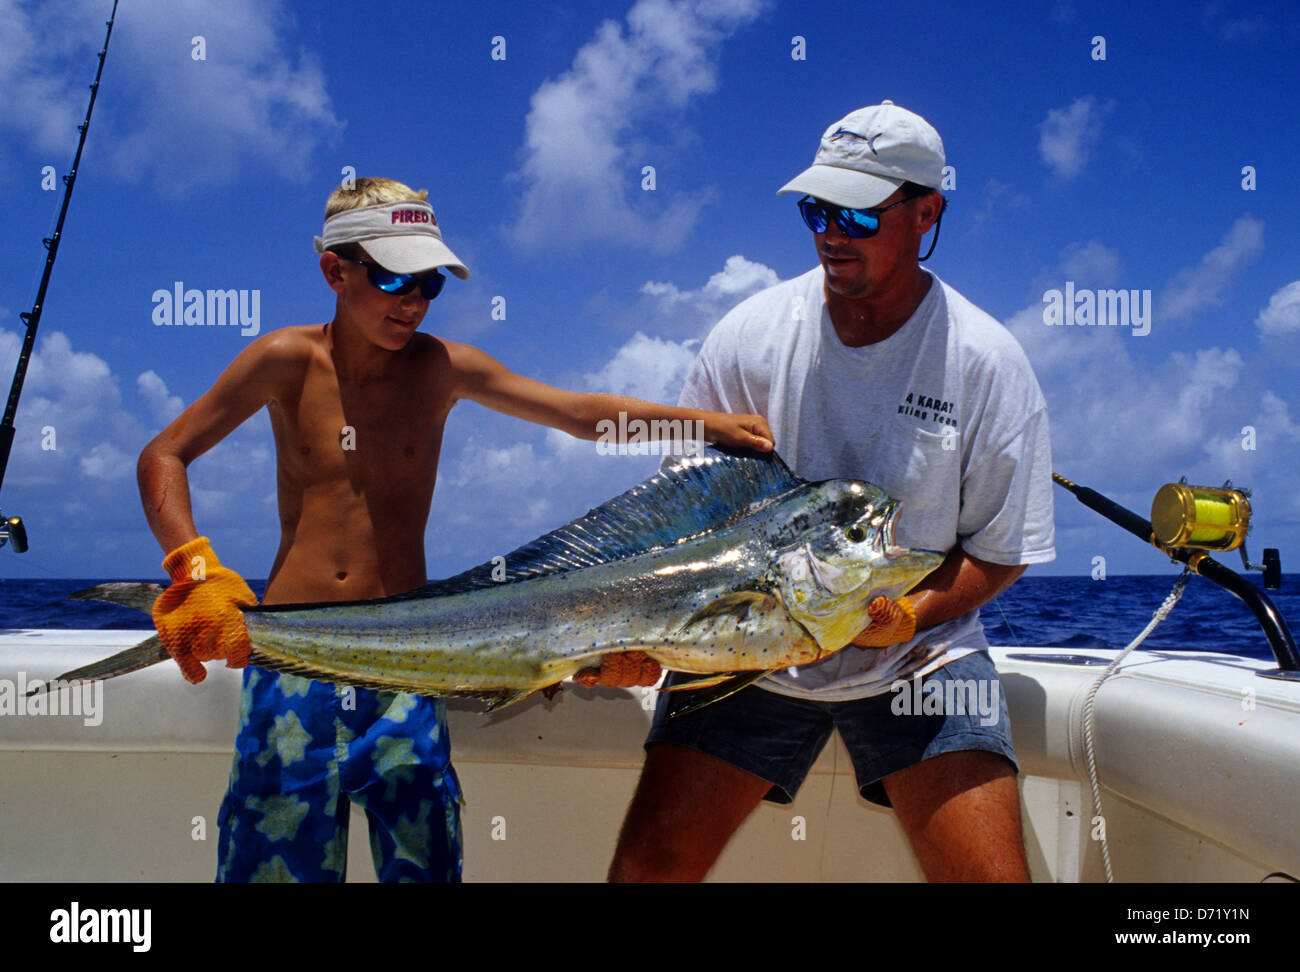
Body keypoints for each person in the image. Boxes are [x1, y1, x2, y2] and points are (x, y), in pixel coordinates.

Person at [137, 177, 772, 883]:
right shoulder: (283, 360)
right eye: (392, 278)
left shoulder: (442, 369)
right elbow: (164, 454)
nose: (411, 302)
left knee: (425, 867)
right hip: (293, 653)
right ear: (333, 271)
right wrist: (195, 569)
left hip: (414, 662)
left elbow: (577, 414)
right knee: (270, 869)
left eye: (429, 284)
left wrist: (707, 424)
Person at [608, 102, 1056, 883]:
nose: (830, 233)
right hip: (742, 652)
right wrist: (633, 639)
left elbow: (999, 551)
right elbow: (678, 524)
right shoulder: (746, 336)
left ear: (927, 213)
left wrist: (907, 617)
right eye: (817, 209)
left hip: (919, 660)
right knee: (646, 872)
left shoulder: (987, 362)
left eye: (857, 212)